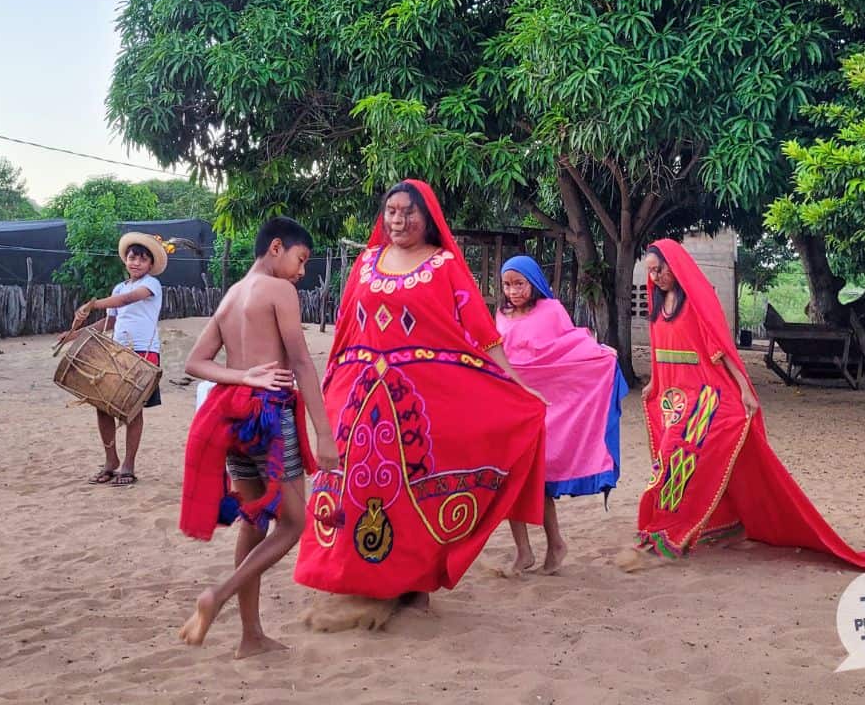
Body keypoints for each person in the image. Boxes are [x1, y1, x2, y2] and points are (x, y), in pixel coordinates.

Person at [293, 180, 547, 624]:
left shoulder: (445, 264)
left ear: (426, 216)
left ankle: (414, 588)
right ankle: (358, 582)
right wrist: (332, 378)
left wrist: (517, 384)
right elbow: (345, 328)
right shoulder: (366, 262)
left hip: (423, 400)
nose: (398, 220)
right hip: (360, 394)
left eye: (407, 212)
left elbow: (482, 333)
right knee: (357, 484)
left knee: (414, 491)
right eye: (391, 210)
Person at [626, 239, 865, 570]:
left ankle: (672, 527)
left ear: (675, 265)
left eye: (660, 268)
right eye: (650, 272)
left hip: (706, 395)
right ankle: (700, 521)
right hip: (674, 397)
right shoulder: (658, 306)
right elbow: (661, 354)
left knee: (680, 452)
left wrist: (745, 389)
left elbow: (721, 349)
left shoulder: (697, 304)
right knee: (667, 458)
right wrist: (653, 383)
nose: (656, 276)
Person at [176, 217, 338, 658]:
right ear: (276, 248)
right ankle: (218, 595)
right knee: (294, 523)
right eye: (300, 260)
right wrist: (324, 433)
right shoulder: (278, 291)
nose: (301, 273)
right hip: (270, 418)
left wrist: (241, 376)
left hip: (235, 418)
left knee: (254, 520)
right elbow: (302, 363)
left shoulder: (231, 297)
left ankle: (250, 635)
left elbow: (195, 362)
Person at [495, 255, 628, 575]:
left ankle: (555, 544)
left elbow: (568, 348)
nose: (512, 291)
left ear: (534, 283)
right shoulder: (500, 314)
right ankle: (523, 551)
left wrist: (600, 355)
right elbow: (496, 352)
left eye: (519, 284)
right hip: (510, 403)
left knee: (536, 480)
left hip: (544, 406)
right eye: (507, 285)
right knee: (509, 479)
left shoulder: (551, 311)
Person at [59, 232, 166, 487]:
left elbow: (127, 300)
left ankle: (128, 464)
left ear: (150, 265)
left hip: (143, 352)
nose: (136, 263)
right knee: (102, 404)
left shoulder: (152, 285)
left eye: (142, 259)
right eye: (132, 258)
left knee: (132, 409)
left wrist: (92, 303)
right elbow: (111, 321)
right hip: (116, 351)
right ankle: (111, 461)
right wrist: (73, 335)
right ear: (125, 261)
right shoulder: (119, 287)